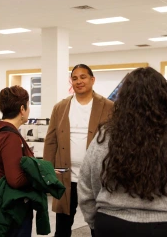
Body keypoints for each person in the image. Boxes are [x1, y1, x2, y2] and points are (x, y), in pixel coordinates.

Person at [78, 67, 167, 237]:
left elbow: (86, 188)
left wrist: (98, 224)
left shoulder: (106, 135)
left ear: (124, 99)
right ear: (166, 97)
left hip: (114, 225)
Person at [43, 64, 114, 237]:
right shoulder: (61, 107)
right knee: (62, 225)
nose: (79, 81)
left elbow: (116, 142)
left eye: (83, 77)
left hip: (96, 177)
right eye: (74, 78)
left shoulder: (108, 106)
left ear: (92, 80)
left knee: (98, 224)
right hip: (65, 176)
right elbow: (51, 141)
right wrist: (47, 172)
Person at [0, 85, 34, 237]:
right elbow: (15, 179)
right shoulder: (10, 137)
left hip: (7, 205)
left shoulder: (0, 131)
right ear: (22, 109)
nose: (28, 110)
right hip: (14, 208)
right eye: (28, 106)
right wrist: (39, 175)